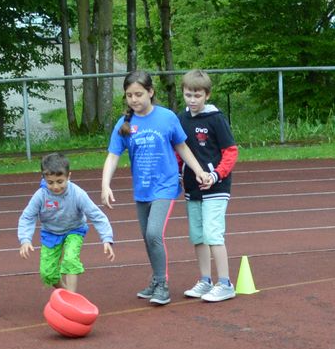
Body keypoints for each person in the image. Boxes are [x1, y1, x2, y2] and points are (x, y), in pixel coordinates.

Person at [99, 70, 212, 307]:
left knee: (153, 234)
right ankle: (155, 279)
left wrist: (199, 170)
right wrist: (105, 184)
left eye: (139, 94)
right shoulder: (124, 124)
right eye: (129, 95)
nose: (134, 99)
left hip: (165, 186)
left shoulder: (167, 117)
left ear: (150, 92)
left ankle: (162, 284)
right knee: (147, 237)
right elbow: (113, 156)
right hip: (142, 189)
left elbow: (182, 147)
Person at [177, 70, 241, 302]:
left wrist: (215, 175)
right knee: (198, 235)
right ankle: (205, 280)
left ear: (207, 95)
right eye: (188, 95)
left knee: (213, 233)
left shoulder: (216, 119)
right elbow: (179, 150)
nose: (192, 100)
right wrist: (178, 173)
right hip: (192, 187)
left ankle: (225, 283)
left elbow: (231, 152)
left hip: (216, 187)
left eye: (197, 95)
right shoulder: (181, 119)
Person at [18, 151, 115, 292]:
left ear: (68, 176)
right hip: (50, 233)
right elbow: (27, 217)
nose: (55, 187)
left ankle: (71, 297)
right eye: (50, 182)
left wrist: (106, 238)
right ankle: (66, 294)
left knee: (70, 260)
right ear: (44, 178)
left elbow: (96, 215)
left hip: (74, 230)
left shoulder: (78, 194)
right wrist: (25, 239)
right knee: (48, 274)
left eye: (60, 182)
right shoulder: (40, 196)